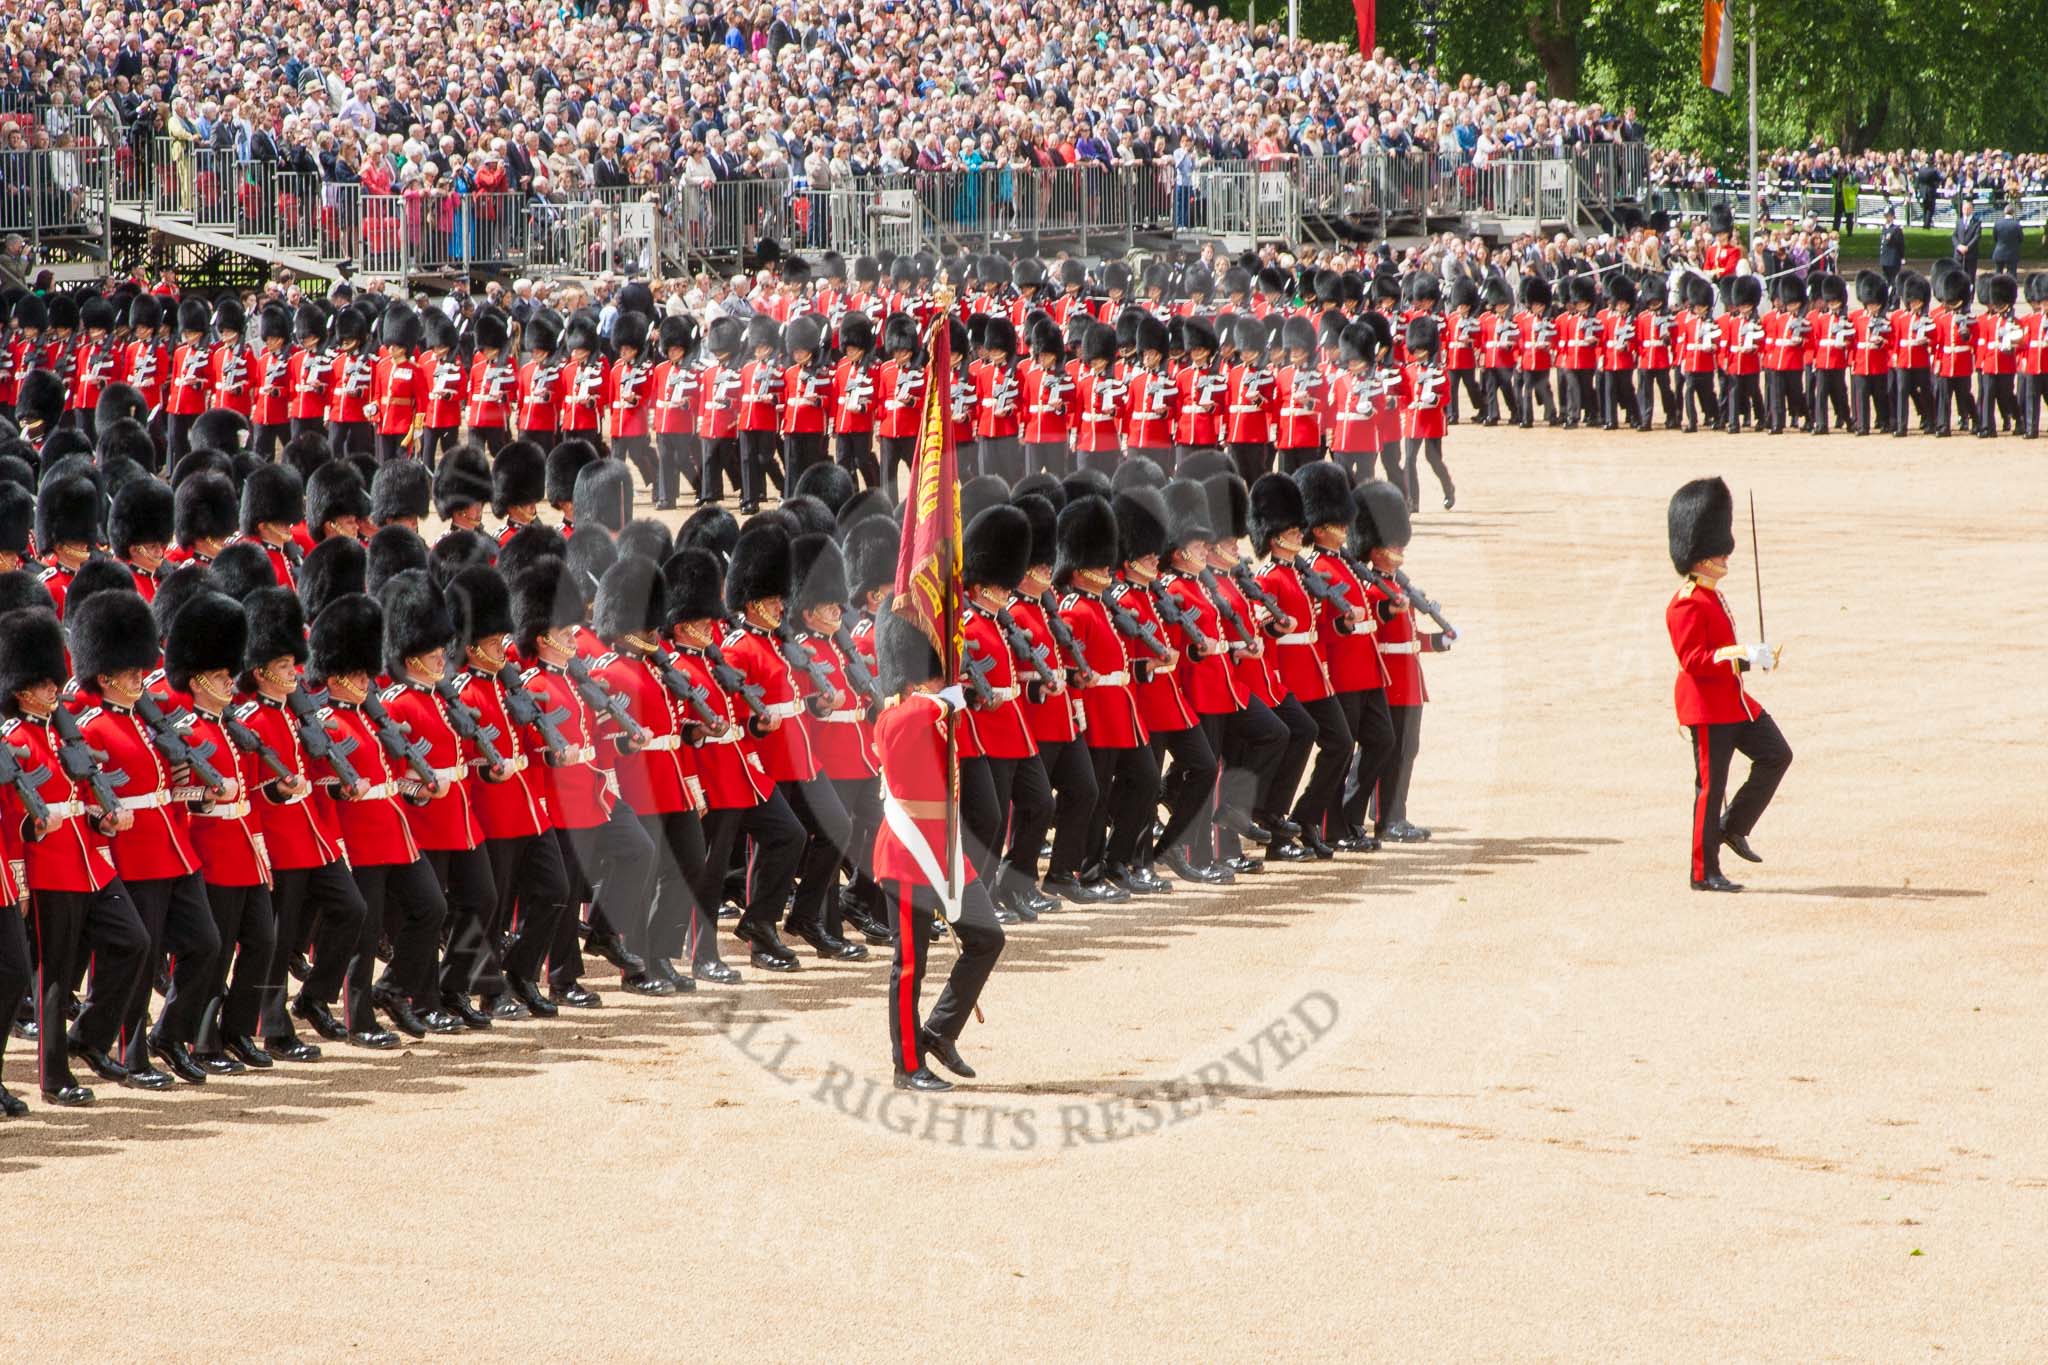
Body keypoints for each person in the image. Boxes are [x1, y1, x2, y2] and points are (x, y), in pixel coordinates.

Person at [871, 606, 1004, 1094]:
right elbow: (909, 724)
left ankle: (939, 1031)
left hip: (944, 850)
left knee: (988, 938)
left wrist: (947, 694)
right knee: (910, 963)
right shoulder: (895, 716)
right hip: (907, 853)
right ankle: (906, 1065)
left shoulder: (936, 710)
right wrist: (941, 698)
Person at [1664, 477, 1792, 893]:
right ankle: (1703, 872)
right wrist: (1742, 656)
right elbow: (1693, 661)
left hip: (1733, 702)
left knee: (1776, 755)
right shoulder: (1685, 603)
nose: (1724, 556)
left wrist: (1753, 656)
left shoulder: (1713, 595)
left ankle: (1732, 826)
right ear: (1701, 558)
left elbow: (1720, 652)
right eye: (1718, 551)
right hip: (1706, 707)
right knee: (1709, 788)